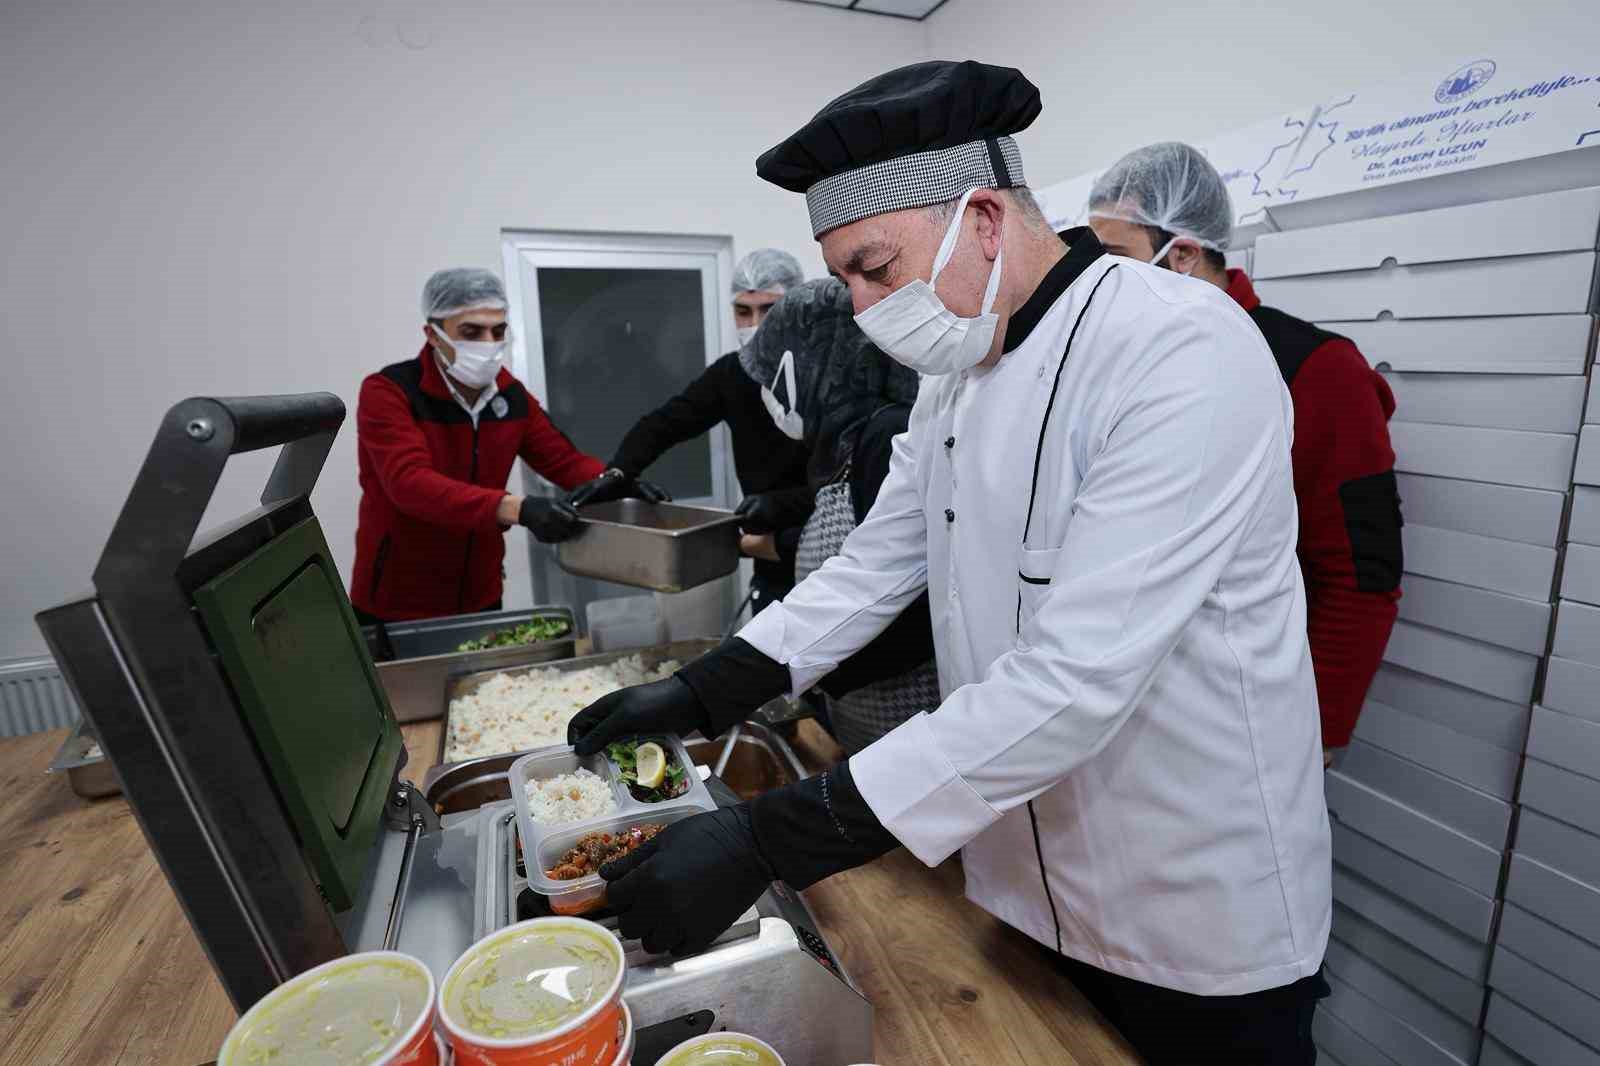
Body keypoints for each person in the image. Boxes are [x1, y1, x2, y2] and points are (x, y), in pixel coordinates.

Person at [563, 61, 1332, 1064]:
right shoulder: (961, 373)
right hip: (1022, 886)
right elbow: (875, 565)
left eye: (874, 268)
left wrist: (769, 836)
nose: (861, 303)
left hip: (1189, 910)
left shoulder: (1180, 351)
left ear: (981, 220)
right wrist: (704, 690)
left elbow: (1076, 677)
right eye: (843, 277)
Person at [1085, 142, 1403, 764]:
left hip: (1248, 709)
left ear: (1181, 255)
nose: (1096, 284)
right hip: (1128, 704)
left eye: (1115, 260)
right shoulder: (1120, 360)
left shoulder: (1316, 370)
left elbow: (1361, 570)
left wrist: (1319, 728)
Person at [350, 268, 666, 624]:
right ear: (433, 335)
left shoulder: (511, 396)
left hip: (479, 593)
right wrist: (517, 508)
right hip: (396, 600)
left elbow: (563, 461)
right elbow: (408, 484)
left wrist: (614, 483)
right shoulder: (390, 391)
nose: (488, 342)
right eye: (471, 332)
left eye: (497, 331)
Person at [739, 277, 935, 752]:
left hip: (907, 720)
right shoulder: (840, 441)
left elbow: (914, 604)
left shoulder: (886, 435)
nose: (771, 395)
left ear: (810, 363)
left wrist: (814, 671)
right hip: (859, 718)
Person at [607, 249, 813, 613]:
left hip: (827, 550)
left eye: (769, 309)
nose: (755, 324)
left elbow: (852, 477)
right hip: (768, 563)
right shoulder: (731, 375)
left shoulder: (826, 371)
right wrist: (620, 470)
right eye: (743, 311)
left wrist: (783, 502)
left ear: (796, 307)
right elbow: (664, 423)